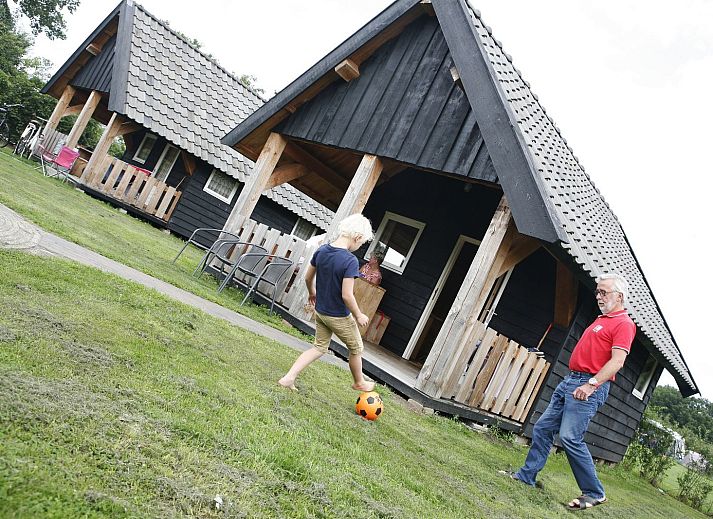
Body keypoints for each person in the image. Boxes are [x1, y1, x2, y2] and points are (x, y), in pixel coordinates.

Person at [501, 273, 635, 511]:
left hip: (588, 385)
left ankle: (594, 492)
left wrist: (591, 384)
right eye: (598, 292)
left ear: (620, 296)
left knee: (570, 437)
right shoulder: (601, 319)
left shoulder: (624, 323)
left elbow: (617, 362)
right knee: (543, 428)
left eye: (604, 292)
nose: (599, 296)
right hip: (570, 381)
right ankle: (526, 476)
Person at [278, 213, 376, 392]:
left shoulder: (322, 250)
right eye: (361, 244)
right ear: (358, 237)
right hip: (338, 315)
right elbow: (347, 295)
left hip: (321, 312)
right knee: (356, 348)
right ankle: (359, 382)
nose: (359, 247)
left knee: (319, 347)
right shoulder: (350, 261)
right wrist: (358, 314)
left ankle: (288, 377)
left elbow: (308, 277)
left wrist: (312, 293)